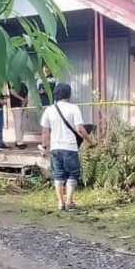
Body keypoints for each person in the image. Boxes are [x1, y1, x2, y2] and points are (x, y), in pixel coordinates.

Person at [39, 83, 97, 212]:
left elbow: (45, 131)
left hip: (55, 148)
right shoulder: (73, 109)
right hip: (70, 147)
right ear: (68, 95)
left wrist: (44, 146)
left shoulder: (49, 110)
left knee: (58, 175)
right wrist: (91, 141)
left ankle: (60, 203)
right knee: (72, 174)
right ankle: (69, 202)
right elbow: (80, 129)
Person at [9, 82, 29, 150]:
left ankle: (21, 140)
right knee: (18, 123)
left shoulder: (23, 84)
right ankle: (19, 142)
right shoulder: (13, 83)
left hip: (23, 106)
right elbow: (13, 92)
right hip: (16, 105)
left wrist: (25, 102)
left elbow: (26, 94)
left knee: (23, 124)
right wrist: (22, 99)